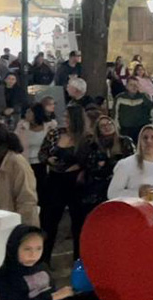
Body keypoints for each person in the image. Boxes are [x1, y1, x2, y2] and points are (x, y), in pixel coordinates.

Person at [39, 104, 88, 263]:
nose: (64, 120)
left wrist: (80, 168)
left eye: (68, 117)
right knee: (49, 222)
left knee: (78, 224)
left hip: (75, 182)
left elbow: (89, 160)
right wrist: (48, 159)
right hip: (54, 180)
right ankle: (43, 260)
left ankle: (78, 263)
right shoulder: (55, 133)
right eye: (64, 116)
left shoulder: (86, 138)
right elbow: (42, 153)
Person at [0, 225, 75, 300]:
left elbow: (52, 289)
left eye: (39, 248)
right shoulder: (4, 276)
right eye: (27, 249)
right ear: (14, 249)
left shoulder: (42, 267)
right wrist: (54, 296)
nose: (33, 254)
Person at [79, 115, 135, 214]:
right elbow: (91, 167)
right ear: (98, 130)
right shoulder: (93, 146)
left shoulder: (125, 141)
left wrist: (106, 164)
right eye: (103, 125)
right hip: (100, 187)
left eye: (109, 123)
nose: (107, 127)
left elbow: (132, 162)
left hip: (122, 184)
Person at [113, 76, 153, 142]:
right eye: (131, 85)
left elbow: (151, 109)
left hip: (140, 127)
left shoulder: (143, 96)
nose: (134, 87)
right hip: (125, 128)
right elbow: (115, 114)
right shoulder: (120, 97)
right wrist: (116, 127)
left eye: (136, 85)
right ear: (126, 86)